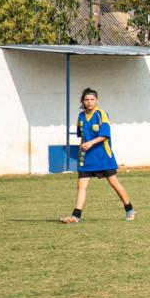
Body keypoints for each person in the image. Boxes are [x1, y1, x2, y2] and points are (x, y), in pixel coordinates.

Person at [59, 88, 135, 224]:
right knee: (81, 186)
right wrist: (81, 149)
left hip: (103, 156)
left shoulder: (101, 114)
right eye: (86, 99)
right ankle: (76, 216)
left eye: (92, 99)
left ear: (97, 100)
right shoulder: (81, 116)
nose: (89, 102)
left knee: (114, 183)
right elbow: (83, 136)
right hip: (87, 158)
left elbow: (105, 135)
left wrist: (90, 143)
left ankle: (129, 209)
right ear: (82, 101)